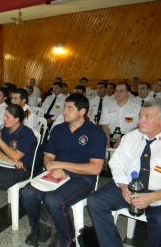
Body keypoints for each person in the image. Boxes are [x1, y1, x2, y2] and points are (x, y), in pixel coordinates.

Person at [20, 93, 106, 247]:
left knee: (54, 200)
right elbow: (48, 156)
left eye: (69, 108)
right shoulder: (59, 129)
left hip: (83, 178)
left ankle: (68, 241)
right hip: (56, 173)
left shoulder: (95, 132)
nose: (64, 111)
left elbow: (96, 168)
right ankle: (39, 231)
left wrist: (62, 166)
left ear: (82, 112)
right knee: (27, 193)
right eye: (65, 107)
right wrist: (51, 167)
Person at [87, 98, 161, 247]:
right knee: (95, 201)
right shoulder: (131, 137)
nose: (140, 120)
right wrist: (124, 186)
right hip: (129, 186)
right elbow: (115, 162)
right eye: (140, 115)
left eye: (147, 117)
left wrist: (153, 196)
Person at [100, 82, 141, 147]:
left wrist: (124, 138)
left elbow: (139, 126)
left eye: (121, 91)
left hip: (130, 139)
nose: (117, 93)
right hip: (111, 139)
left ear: (128, 93)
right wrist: (107, 139)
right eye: (116, 91)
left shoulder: (137, 108)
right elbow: (104, 125)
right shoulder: (107, 107)